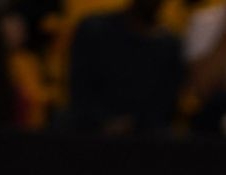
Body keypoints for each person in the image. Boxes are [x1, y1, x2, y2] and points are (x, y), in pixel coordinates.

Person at [66, 0, 185, 136]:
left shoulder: (169, 46)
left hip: (147, 139)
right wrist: (103, 122)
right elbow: (80, 90)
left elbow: (166, 104)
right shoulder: (94, 30)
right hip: (88, 134)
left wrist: (134, 125)